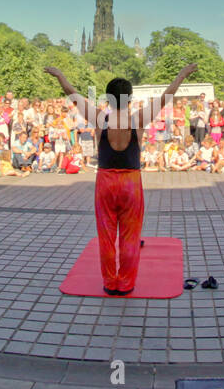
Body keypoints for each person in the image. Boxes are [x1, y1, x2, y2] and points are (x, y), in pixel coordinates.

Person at [45, 61, 197, 296]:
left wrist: (59, 74)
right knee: (130, 235)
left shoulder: (98, 118)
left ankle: (109, 282)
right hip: (130, 183)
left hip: (105, 181)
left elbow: (71, 94)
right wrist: (182, 74)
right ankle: (125, 284)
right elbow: (167, 96)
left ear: (108, 97)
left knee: (106, 236)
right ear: (129, 98)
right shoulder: (137, 119)